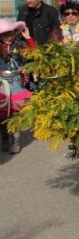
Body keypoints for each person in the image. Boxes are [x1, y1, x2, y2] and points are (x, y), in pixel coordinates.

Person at [0, 20, 34, 154]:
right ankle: (4, 139)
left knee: (15, 115)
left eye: (12, 34)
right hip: (1, 84)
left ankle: (16, 142)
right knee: (2, 116)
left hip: (16, 84)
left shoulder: (19, 46)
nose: (9, 37)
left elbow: (34, 54)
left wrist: (29, 38)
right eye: (5, 35)